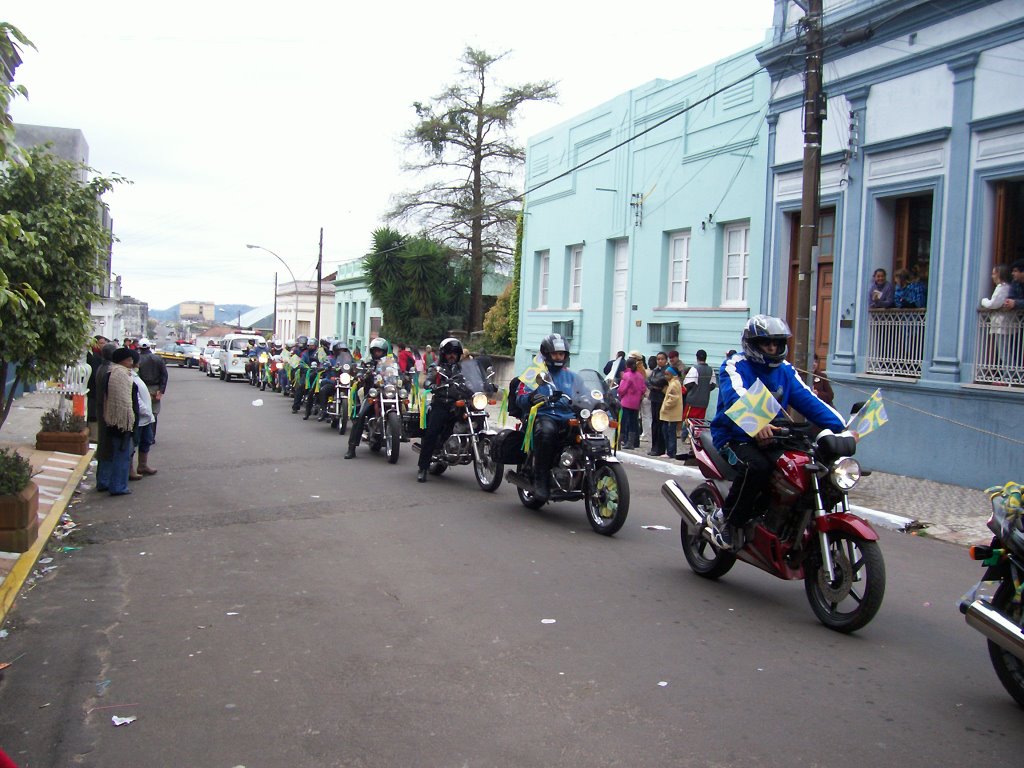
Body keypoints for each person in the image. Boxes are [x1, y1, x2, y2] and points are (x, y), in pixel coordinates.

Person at [710, 315, 846, 549]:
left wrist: (842, 429)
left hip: (776, 436)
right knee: (758, 467)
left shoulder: (785, 371)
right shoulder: (734, 365)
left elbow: (809, 400)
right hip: (734, 436)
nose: (773, 348)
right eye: (766, 343)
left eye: (777, 343)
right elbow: (735, 395)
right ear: (752, 344)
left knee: (800, 468)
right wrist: (757, 424)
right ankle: (729, 522)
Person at [515, 333, 583, 502]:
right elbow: (520, 396)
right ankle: (541, 480)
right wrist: (531, 398)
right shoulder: (535, 373)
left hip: (569, 416)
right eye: (555, 354)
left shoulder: (573, 376)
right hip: (545, 415)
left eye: (561, 354)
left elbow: (586, 395)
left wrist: (605, 402)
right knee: (546, 433)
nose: (558, 357)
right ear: (546, 354)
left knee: (590, 434)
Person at [416, 337, 465, 483]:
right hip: (441, 403)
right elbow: (428, 379)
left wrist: (485, 384)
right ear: (444, 353)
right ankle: (423, 468)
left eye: (455, 353)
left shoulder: (461, 368)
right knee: (431, 433)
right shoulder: (436, 367)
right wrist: (431, 384)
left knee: (477, 420)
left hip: (458, 404)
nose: (452, 355)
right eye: (449, 352)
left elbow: (473, 379)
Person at [344, 337, 390, 459]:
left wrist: (404, 376)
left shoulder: (390, 362)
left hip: (387, 393)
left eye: (379, 351)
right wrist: (361, 375)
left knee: (404, 407)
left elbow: (398, 372)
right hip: (372, 393)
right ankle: (351, 448)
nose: (377, 353)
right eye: (375, 351)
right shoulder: (367, 363)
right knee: (360, 415)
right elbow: (360, 371)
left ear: (384, 351)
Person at [104, 348, 140, 496]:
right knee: (122, 455)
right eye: (129, 360)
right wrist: (128, 420)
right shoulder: (119, 375)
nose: (132, 363)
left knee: (122, 454)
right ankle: (118, 486)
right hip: (121, 422)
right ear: (122, 360)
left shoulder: (118, 372)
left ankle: (118, 484)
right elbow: (124, 400)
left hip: (120, 421)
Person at [93, 342, 118, 492]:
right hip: (107, 412)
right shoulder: (109, 370)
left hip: (102, 410)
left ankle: (103, 479)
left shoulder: (102, 368)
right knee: (108, 446)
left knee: (104, 445)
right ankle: (104, 480)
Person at [136, 339, 167, 441]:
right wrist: (161, 390)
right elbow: (164, 375)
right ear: (149, 347)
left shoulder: (137, 359)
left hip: (141, 387)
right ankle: (151, 437)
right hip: (155, 388)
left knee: (140, 411)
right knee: (153, 413)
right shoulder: (157, 358)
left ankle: (140, 436)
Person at [131, 360, 157, 478]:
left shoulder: (135, 376)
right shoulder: (130, 377)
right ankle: (130, 470)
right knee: (133, 444)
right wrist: (147, 412)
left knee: (146, 441)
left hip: (146, 418)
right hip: (140, 418)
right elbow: (136, 400)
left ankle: (142, 465)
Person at [616, 358, 644, 449]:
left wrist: (619, 395)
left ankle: (619, 441)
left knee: (623, 422)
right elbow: (643, 388)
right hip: (635, 403)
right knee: (633, 422)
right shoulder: (640, 375)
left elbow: (622, 389)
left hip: (626, 402)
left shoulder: (626, 375)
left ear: (626, 365)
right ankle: (631, 443)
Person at [646, 352, 669, 456]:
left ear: (666, 360)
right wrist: (654, 386)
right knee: (654, 423)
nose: (660, 361)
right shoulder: (655, 370)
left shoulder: (667, 371)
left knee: (660, 424)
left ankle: (660, 448)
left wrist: (654, 384)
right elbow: (648, 381)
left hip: (661, 399)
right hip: (654, 398)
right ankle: (654, 447)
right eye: (658, 359)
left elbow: (660, 381)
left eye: (662, 359)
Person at [659, 366, 683, 459]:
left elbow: (673, 398)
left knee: (670, 432)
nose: (665, 376)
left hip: (670, 413)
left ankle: (670, 452)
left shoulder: (674, 384)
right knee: (668, 432)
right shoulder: (672, 383)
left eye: (667, 374)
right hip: (670, 413)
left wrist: (665, 407)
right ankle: (670, 451)